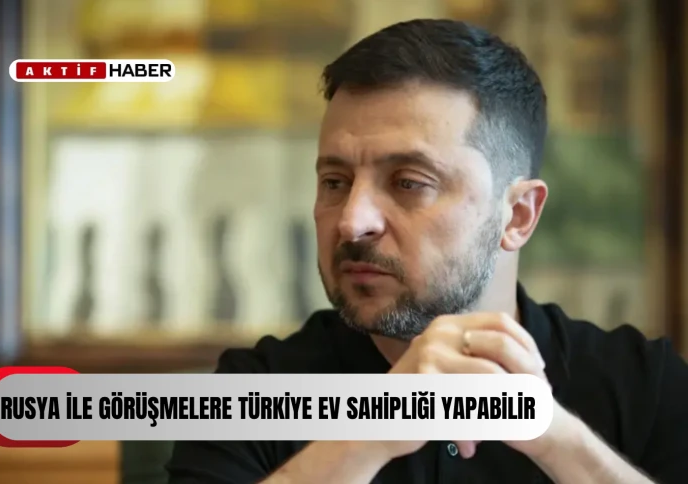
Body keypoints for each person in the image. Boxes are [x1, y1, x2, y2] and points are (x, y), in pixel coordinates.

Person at [166, 18, 688, 483]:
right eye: (334, 182)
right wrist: (369, 433)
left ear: (518, 216)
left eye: (409, 182)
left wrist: (556, 440)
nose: (351, 221)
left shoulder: (645, 385)